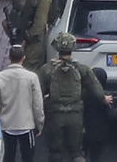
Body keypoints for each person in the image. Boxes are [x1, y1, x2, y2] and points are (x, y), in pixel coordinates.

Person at [42, 34, 110, 162]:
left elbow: (38, 92)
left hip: (55, 115)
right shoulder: (82, 69)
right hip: (75, 115)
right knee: (76, 152)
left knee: (55, 152)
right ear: (72, 49)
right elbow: (98, 91)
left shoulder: (47, 70)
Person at [0, 44, 42, 162]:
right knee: (27, 156)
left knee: (9, 155)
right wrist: (40, 124)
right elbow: (37, 104)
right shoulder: (32, 77)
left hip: (7, 125)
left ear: (9, 57)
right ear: (23, 58)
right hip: (26, 125)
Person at [2, 0, 51, 72]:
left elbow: (40, 23)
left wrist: (25, 40)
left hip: (33, 42)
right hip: (19, 37)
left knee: (30, 72)